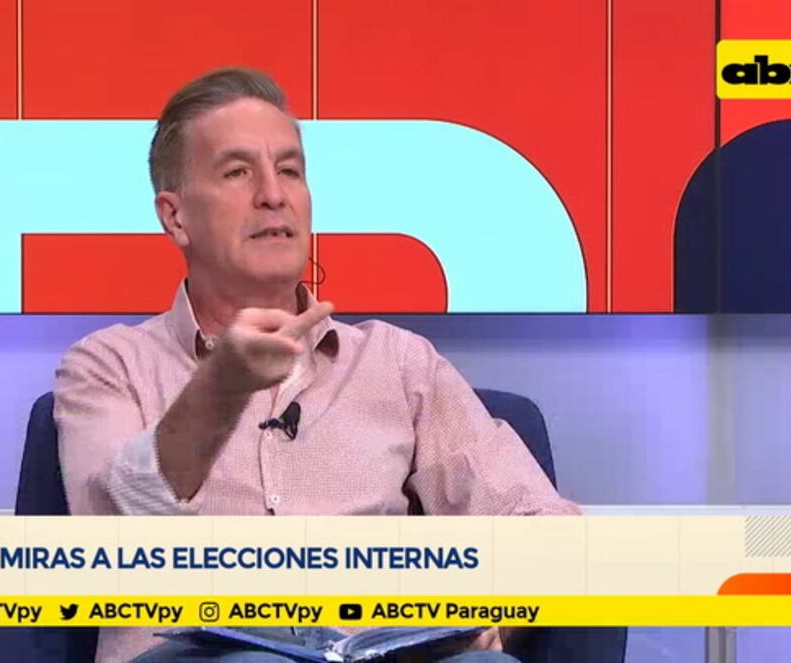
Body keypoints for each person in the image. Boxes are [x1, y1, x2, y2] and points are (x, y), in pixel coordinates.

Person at [54, 67, 580, 662]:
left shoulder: (398, 363)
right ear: (176, 217)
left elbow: (540, 523)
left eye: (289, 170)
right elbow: (111, 544)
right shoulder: (108, 366)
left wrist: (497, 611)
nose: (272, 194)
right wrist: (221, 390)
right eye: (237, 172)